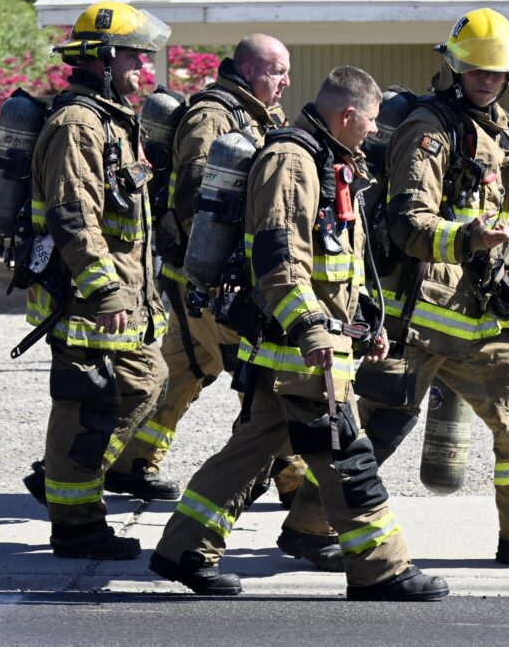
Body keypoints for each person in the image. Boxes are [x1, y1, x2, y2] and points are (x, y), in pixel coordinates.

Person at [150, 66, 450, 601]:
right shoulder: (292, 161)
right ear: (348, 114)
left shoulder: (330, 159)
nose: (375, 131)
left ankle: (183, 551)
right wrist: (313, 330)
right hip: (301, 351)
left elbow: (339, 264)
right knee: (346, 457)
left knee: (249, 453)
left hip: (304, 347)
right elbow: (280, 259)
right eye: (372, 121)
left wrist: (365, 325)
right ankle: (381, 571)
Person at [354, 7, 509, 567]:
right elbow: (408, 222)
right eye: (476, 68)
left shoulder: (493, 126)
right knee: (380, 425)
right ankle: (313, 524)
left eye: (496, 70)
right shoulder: (428, 129)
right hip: (417, 316)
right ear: (455, 68)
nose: (486, 79)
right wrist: (468, 238)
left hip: (477, 314)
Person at [105, 35, 309, 512]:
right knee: (265, 377)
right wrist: (225, 269)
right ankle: (296, 480)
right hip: (211, 280)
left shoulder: (261, 115)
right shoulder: (212, 116)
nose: (286, 81)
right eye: (278, 70)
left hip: (207, 281)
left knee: (182, 371)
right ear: (247, 69)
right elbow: (195, 197)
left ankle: (129, 459)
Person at [26, 0, 171, 559]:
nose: (143, 66)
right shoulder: (78, 125)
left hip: (118, 294)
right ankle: (76, 526)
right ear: (103, 57)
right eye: (135, 56)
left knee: (146, 381)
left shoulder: (113, 119)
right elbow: (72, 215)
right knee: (84, 407)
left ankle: (63, 479)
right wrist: (105, 288)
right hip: (85, 298)